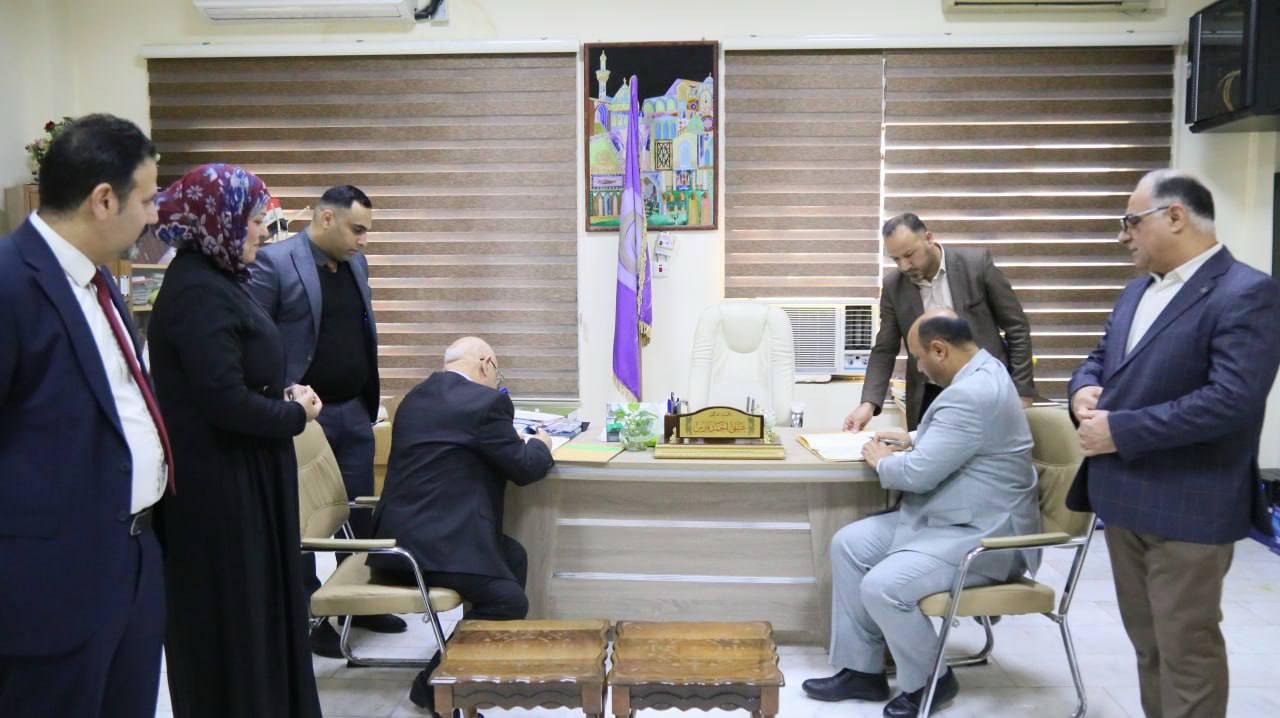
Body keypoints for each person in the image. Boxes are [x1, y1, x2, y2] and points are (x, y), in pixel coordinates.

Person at [1067, 170, 1280, 718]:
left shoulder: (1247, 292)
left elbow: (1231, 400)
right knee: (1149, 646)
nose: (1122, 236)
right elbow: (1101, 357)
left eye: (1130, 222)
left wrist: (1120, 431)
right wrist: (1083, 389)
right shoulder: (1137, 290)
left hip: (1190, 505)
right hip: (1124, 500)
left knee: (1187, 651)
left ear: (1175, 216)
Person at [0, 113, 167, 718]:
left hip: (132, 554)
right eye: (146, 199)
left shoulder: (98, 280)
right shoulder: (11, 282)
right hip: (50, 583)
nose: (153, 215)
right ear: (104, 199)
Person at [147, 164, 324, 718]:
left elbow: (236, 380)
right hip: (221, 493)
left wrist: (280, 394)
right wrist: (293, 413)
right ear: (215, 222)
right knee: (238, 629)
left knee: (262, 623)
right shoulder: (198, 292)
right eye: (251, 219)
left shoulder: (220, 281)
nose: (262, 231)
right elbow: (222, 402)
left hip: (244, 480)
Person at [804, 309, 1041, 718]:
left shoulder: (971, 393)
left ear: (940, 350)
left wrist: (882, 461)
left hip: (986, 535)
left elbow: (916, 476)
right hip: (950, 518)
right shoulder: (986, 370)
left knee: (884, 586)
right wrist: (914, 437)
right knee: (849, 544)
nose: (917, 367)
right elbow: (969, 434)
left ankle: (932, 680)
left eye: (918, 356)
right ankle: (862, 670)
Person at [244, 184, 404, 654]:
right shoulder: (274, 263)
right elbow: (254, 340)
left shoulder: (356, 263)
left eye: (367, 231)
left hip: (354, 410)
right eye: (357, 229)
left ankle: (360, 606)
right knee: (307, 524)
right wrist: (285, 393)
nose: (363, 240)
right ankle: (310, 620)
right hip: (303, 418)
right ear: (326, 218)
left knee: (358, 515)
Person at [369, 336, 555, 713]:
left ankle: (477, 665)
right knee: (507, 601)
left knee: (513, 556)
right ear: (486, 364)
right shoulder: (487, 404)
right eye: (497, 372)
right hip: (431, 548)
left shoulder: (414, 397)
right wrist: (542, 444)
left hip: (395, 542)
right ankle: (433, 685)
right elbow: (524, 468)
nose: (496, 380)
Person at [845, 213, 1036, 432]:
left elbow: (1016, 327)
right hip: (930, 393)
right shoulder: (893, 286)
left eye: (909, 255)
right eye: (896, 259)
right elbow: (884, 349)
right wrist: (868, 404)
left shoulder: (976, 265)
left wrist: (1022, 391)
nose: (904, 266)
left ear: (928, 238)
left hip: (986, 389)